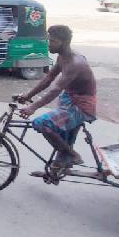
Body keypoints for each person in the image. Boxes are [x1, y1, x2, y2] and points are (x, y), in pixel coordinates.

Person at [17, 25, 97, 171]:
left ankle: (71, 155)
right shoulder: (62, 57)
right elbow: (49, 78)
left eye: (52, 41)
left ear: (64, 43)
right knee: (59, 130)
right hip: (69, 99)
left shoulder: (75, 63)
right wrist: (28, 96)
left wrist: (33, 107)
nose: (49, 44)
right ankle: (60, 163)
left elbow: (56, 89)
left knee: (43, 124)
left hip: (81, 106)